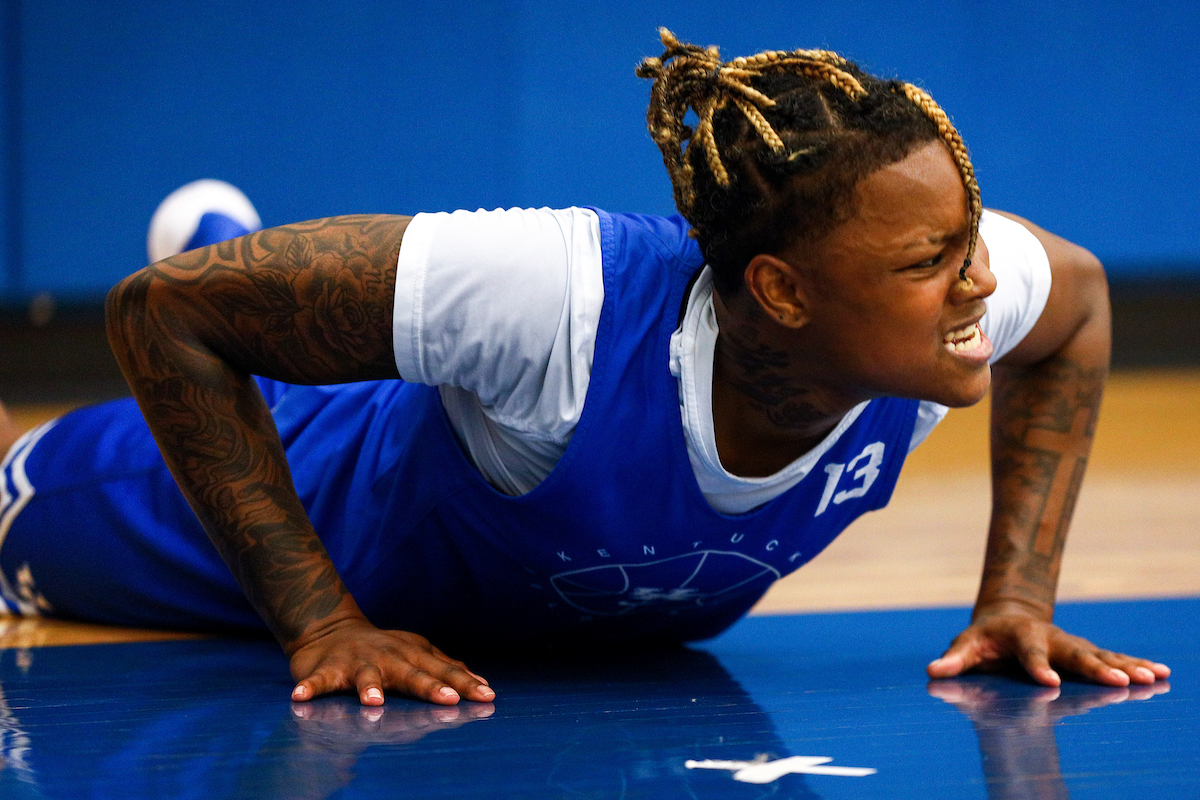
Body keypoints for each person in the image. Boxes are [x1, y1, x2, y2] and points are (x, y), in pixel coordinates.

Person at [0, 30, 1170, 706]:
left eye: (972, 240)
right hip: (300, 484)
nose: (982, 280)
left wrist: (1018, 596)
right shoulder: (561, 297)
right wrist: (319, 620)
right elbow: (164, 314)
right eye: (934, 261)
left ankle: (233, 236)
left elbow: (1078, 305)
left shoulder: (946, 299)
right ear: (780, 290)